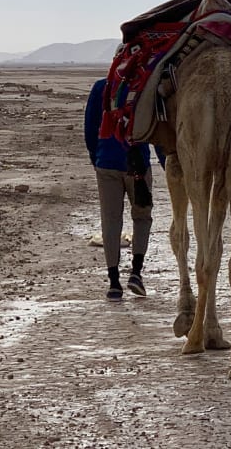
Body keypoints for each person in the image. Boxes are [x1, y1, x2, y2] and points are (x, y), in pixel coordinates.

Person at [84, 77, 164, 301]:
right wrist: (166, 163)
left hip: (107, 164)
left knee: (111, 221)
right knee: (142, 217)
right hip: (138, 165)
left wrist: (96, 157)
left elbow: (90, 127)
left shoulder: (101, 87)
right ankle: (136, 273)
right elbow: (156, 130)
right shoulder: (144, 87)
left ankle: (114, 282)